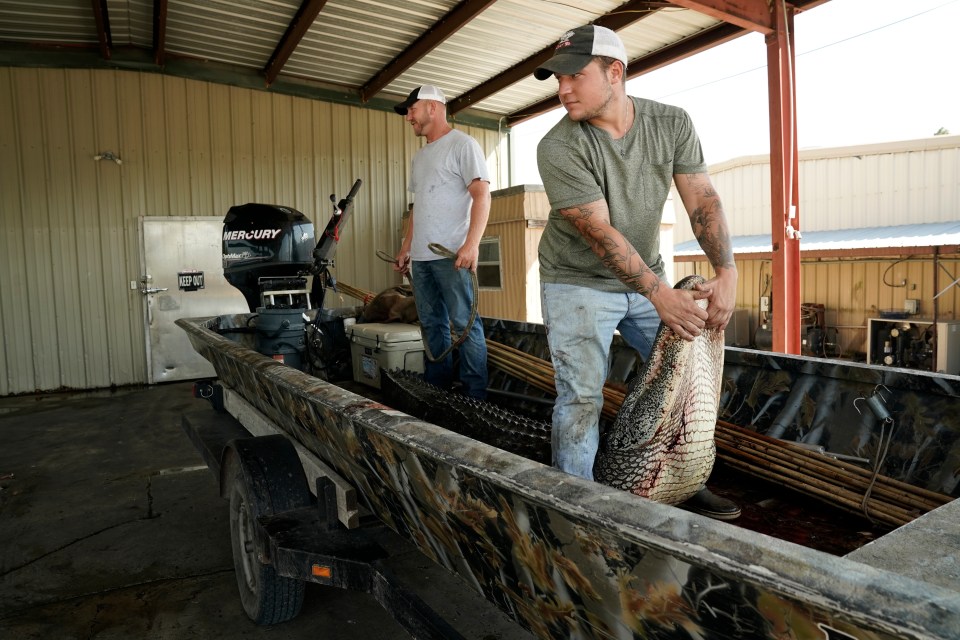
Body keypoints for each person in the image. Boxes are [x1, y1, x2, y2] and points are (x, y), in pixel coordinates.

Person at [533, 26, 740, 519]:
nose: (562, 90)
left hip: (648, 275)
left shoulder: (670, 123)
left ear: (615, 71)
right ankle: (578, 507)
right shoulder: (558, 146)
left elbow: (702, 199)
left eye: (574, 77)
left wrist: (727, 269)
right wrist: (659, 293)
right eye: (557, 80)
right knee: (582, 396)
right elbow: (599, 232)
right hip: (577, 282)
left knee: (690, 381)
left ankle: (686, 481)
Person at [393, 85, 491, 399]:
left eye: (412, 109)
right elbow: (418, 208)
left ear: (433, 107)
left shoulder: (463, 145)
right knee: (431, 324)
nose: (409, 117)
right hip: (421, 260)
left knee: (465, 325)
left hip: (452, 255)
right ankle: (438, 392)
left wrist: (472, 243)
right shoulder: (420, 157)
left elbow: (482, 195)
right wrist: (407, 246)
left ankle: (476, 398)